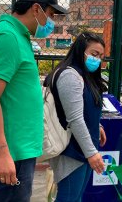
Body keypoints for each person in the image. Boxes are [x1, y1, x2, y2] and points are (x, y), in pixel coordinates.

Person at [0, 0, 67, 202]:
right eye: (51, 14)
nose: (52, 21)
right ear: (36, 8)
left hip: (19, 152)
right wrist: (1, 152)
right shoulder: (7, 37)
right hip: (11, 156)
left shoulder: (19, 37)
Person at [45, 32, 107, 202]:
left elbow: (84, 110)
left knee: (76, 197)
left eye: (101, 56)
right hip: (72, 151)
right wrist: (92, 153)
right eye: (94, 54)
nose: (97, 59)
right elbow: (75, 119)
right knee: (69, 197)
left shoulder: (84, 75)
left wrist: (97, 126)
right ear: (81, 51)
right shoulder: (69, 76)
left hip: (83, 148)